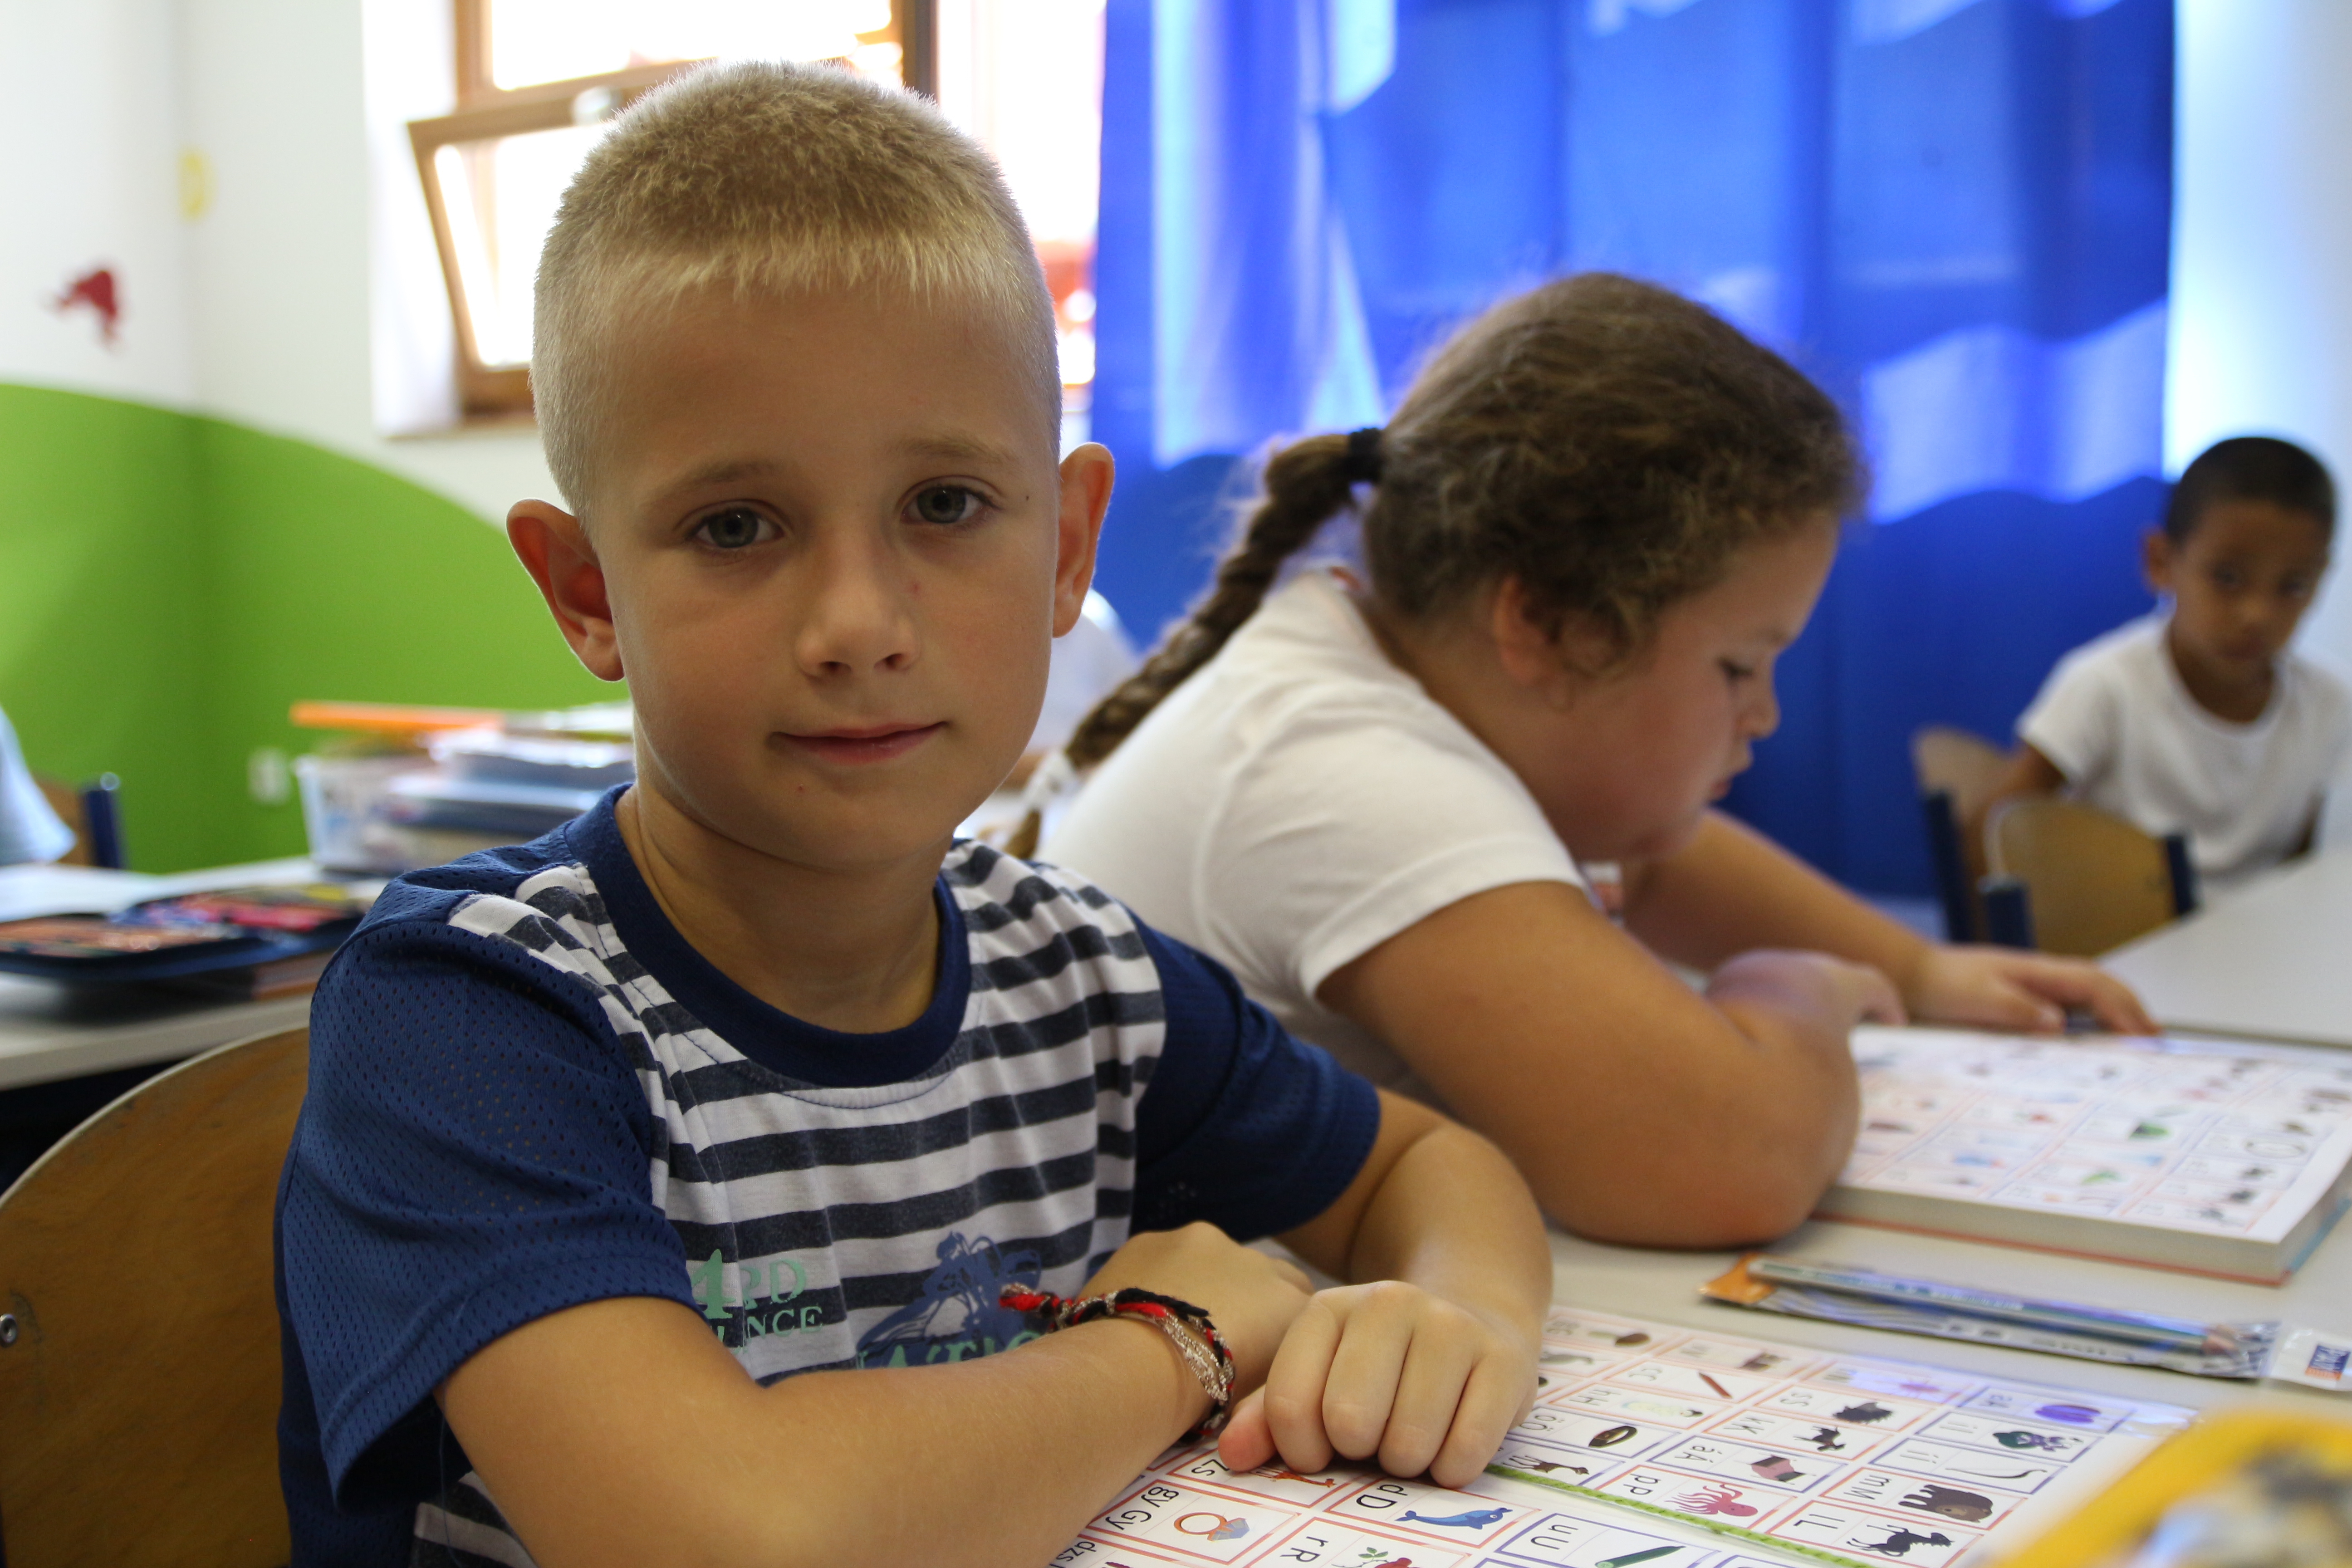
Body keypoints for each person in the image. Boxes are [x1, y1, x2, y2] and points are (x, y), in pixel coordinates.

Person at [272, 63, 1551, 1568]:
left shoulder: (1078, 977)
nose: (860, 624)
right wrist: (1172, 1341)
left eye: (944, 504)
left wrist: (1452, 1317)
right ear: (585, 590)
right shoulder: (468, 1010)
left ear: (1066, 545)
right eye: (735, 526)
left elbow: (1429, 1170)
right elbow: (725, 1537)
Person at [1033, 274, 2152, 1251]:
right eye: (1737, 665)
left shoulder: (1389, 669)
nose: (1763, 715)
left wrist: (1916, 968)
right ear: (1545, 626)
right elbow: (1737, 1158)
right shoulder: (1342, 767)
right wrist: (1795, 987)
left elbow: (1657, 857)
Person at [1979, 436, 2346, 896]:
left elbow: (2302, 873)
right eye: (2228, 577)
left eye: (2292, 585)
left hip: (2260, 935)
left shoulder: (2331, 703)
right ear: (2160, 561)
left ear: (2321, 579)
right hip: (2128, 931)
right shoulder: (2105, 684)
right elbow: (1993, 831)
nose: (2257, 614)